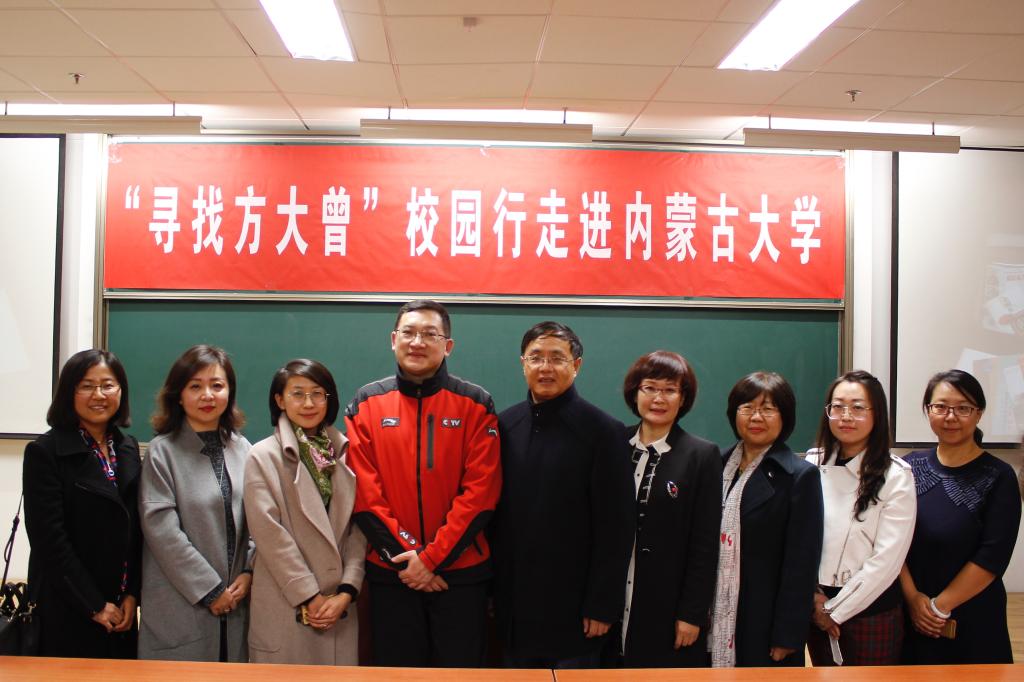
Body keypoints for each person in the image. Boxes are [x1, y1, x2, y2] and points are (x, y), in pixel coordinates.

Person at [345, 299, 501, 667]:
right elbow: (365, 495)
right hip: (392, 574)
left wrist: (430, 560)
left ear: (448, 346)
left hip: (460, 576)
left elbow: (480, 494)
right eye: (409, 333)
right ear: (393, 340)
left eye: (430, 334)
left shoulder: (476, 403)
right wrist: (409, 561)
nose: (417, 342)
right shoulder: (366, 403)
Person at [493, 321, 634, 669]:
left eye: (557, 358)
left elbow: (616, 528)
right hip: (515, 608)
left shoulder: (604, 432)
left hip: (576, 612)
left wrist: (602, 605)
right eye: (536, 357)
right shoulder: (504, 425)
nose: (545, 367)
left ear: (577, 365)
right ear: (523, 364)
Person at [243, 359, 366, 665]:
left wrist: (347, 590)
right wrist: (309, 595)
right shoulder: (262, 456)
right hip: (288, 602)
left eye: (317, 394)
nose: (308, 403)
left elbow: (358, 528)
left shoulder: (345, 453)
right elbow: (269, 536)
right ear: (280, 400)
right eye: (297, 394)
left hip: (339, 606)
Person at [22, 349, 141, 658]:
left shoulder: (127, 447)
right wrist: (94, 605)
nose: (98, 395)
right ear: (68, 392)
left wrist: (133, 594)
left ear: (121, 391)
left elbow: (137, 530)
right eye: (86, 386)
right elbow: (50, 541)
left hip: (121, 612)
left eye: (108, 385)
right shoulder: (45, 452)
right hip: (68, 608)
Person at [138, 345, 254, 662]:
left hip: (238, 600)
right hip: (183, 602)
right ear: (178, 395)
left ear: (229, 392)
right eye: (195, 386)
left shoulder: (244, 449)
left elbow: (260, 520)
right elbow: (162, 531)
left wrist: (249, 571)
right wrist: (210, 590)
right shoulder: (162, 451)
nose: (207, 395)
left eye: (217, 385)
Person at [900, 369, 1021, 664]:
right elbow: (890, 541)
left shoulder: (999, 475)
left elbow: (993, 556)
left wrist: (938, 608)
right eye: (940, 407)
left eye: (963, 408)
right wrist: (913, 599)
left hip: (973, 616)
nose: (950, 416)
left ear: (979, 413)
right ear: (928, 410)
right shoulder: (906, 468)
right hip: (910, 612)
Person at [614, 351, 721, 667]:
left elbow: (704, 544)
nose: (659, 398)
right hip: (611, 603)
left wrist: (692, 614)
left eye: (670, 390)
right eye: (650, 388)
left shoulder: (701, 455)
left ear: (683, 398)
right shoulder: (613, 444)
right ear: (635, 392)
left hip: (668, 605)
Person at [710, 371, 823, 668]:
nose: (756, 417)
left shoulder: (800, 476)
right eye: (747, 407)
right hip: (713, 614)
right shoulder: (714, 465)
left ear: (785, 416)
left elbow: (802, 564)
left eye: (768, 409)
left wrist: (788, 634)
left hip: (764, 620)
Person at [805, 370, 916, 666]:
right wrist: (814, 599)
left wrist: (835, 611)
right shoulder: (811, 463)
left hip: (869, 610)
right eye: (838, 406)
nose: (846, 416)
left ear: (876, 414)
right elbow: (799, 539)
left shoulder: (896, 475)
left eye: (857, 407)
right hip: (815, 605)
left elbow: (887, 560)